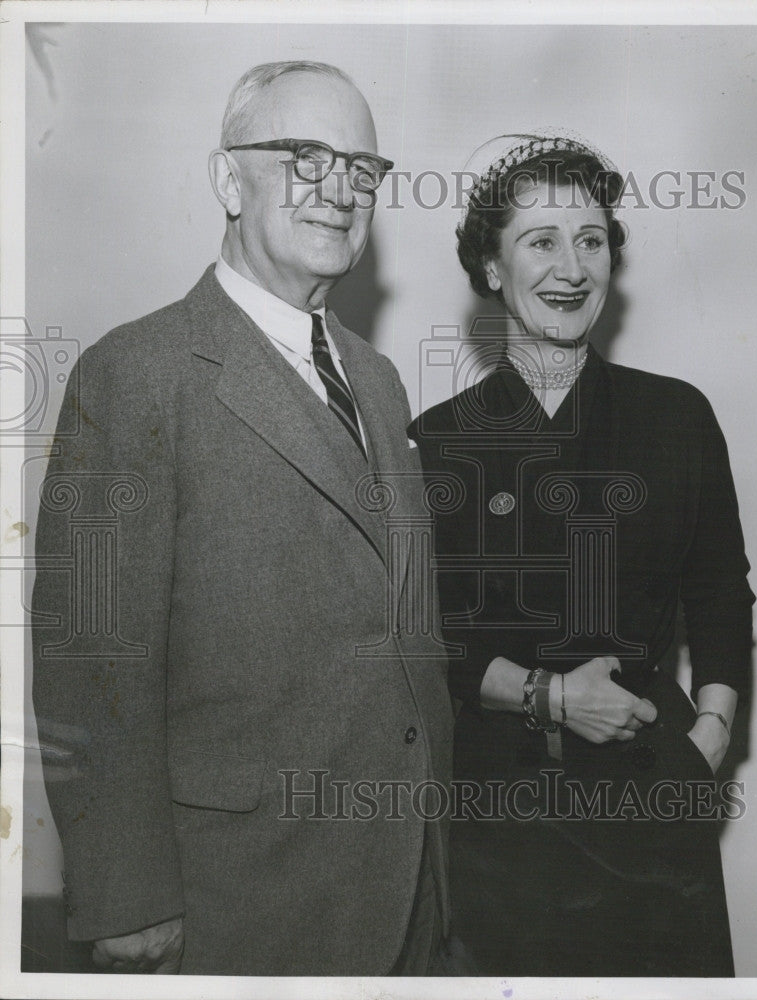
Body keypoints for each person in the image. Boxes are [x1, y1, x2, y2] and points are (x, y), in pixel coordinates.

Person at [31, 61, 454, 976]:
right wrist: (126, 896)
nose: (340, 189)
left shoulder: (376, 379)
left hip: (408, 887)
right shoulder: (133, 374)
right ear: (229, 179)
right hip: (241, 899)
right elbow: (90, 663)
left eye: (363, 168)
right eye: (306, 156)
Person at [409, 132, 755, 976]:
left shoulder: (676, 416)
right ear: (492, 268)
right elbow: (426, 642)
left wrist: (710, 733)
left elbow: (720, 591)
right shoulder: (436, 442)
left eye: (591, 241)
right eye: (541, 241)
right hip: (503, 820)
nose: (572, 267)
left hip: (654, 804)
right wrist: (550, 696)